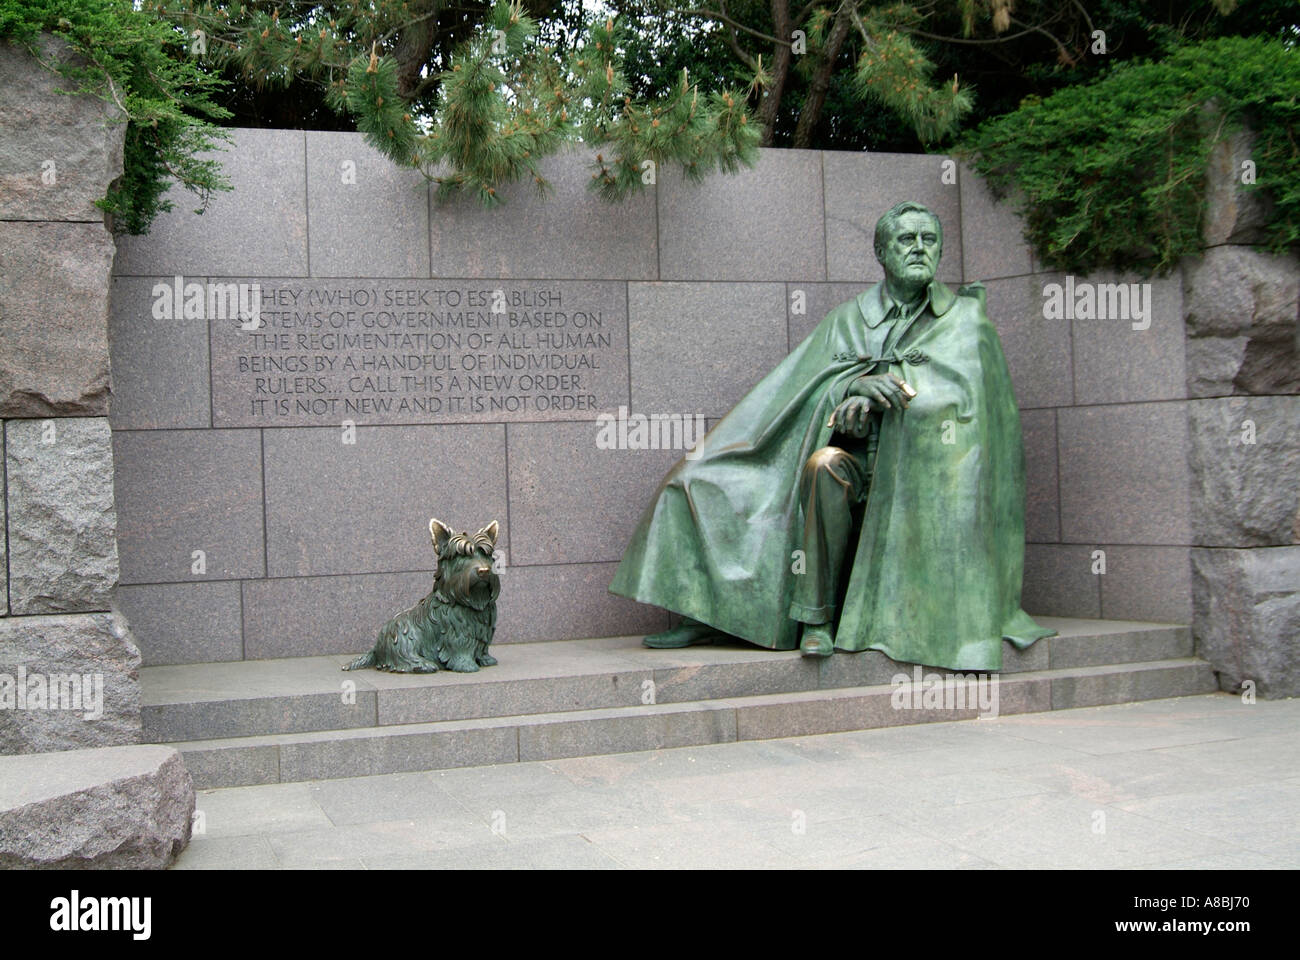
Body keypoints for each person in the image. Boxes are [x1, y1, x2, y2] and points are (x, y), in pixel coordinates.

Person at [608, 200, 1055, 671]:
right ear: (882, 252)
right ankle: (765, 617)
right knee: (705, 478)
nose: (919, 249)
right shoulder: (848, 319)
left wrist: (895, 402)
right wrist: (847, 392)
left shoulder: (965, 321)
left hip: (920, 477)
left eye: (929, 240)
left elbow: (973, 418)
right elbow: (795, 392)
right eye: (907, 240)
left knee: (825, 467)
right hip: (850, 461)